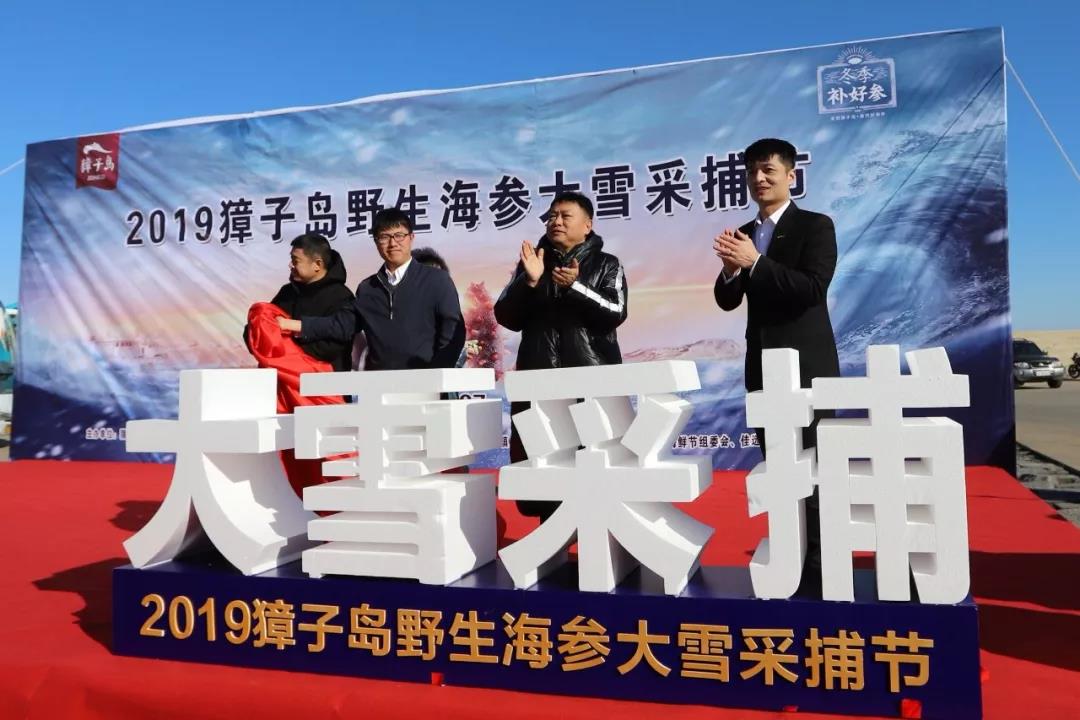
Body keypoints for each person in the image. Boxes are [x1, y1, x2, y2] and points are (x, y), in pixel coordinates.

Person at [712, 137, 840, 596]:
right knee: (779, 468)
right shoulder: (745, 232)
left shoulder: (815, 226)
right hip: (762, 366)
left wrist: (756, 262)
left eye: (768, 170)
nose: (759, 179)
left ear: (791, 175)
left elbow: (812, 288)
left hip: (806, 366)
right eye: (752, 172)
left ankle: (823, 567)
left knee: (815, 467)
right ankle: (790, 556)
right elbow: (728, 300)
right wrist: (732, 269)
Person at [494, 191, 628, 519]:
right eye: (552, 216)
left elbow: (616, 312)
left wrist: (576, 287)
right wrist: (529, 281)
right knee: (545, 467)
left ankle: (602, 539)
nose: (556, 221)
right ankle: (550, 539)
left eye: (566, 216)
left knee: (595, 467)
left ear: (587, 225)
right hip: (539, 383)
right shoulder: (533, 263)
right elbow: (505, 315)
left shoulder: (607, 264)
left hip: (590, 383)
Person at [279, 209, 465, 371]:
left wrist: (437, 371)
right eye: (384, 237)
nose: (393, 243)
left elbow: (453, 331)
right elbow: (342, 324)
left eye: (399, 235)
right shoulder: (368, 288)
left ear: (411, 237)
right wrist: (294, 325)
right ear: (376, 242)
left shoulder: (437, 280)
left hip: (426, 383)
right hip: (379, 385)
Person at [246, 233, 354, 371]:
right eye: (291, 259)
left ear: (317, 264)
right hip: (280, 377)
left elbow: (331, 347)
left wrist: (286, 347)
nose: (290, 265)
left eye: (295, 260)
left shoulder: (341, 296)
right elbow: (261, 327)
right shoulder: (287, 292)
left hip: (324, 380)